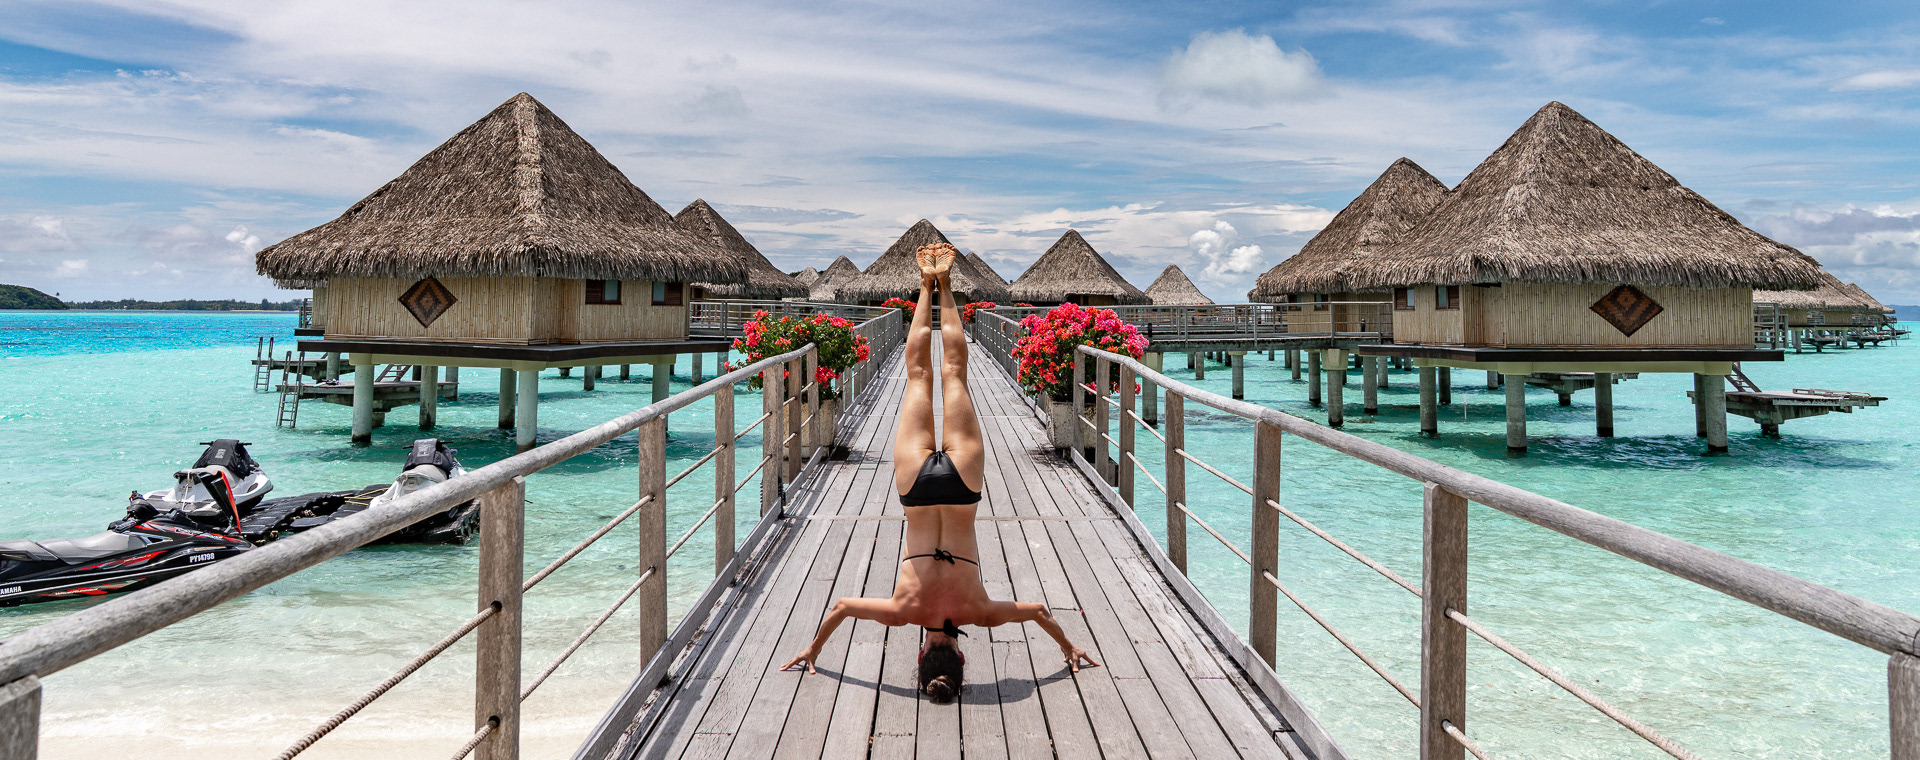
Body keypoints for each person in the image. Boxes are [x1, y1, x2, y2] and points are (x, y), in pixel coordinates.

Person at [780, 242, 1098, 703]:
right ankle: (925, 284)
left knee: (953, 373)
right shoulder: (902, 611)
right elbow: (843, 607)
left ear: (962, 657)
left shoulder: (979, 612)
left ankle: (943, 284)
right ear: (921, 655)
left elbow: (1038, 611)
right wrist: (814, 648)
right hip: (916, 488)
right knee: (918, 375)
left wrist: (1068, 646)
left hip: (963, 486)